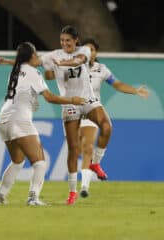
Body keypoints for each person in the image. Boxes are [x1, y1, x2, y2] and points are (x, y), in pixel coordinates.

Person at [0, 42, 85, 206]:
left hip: (4, 118)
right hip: (20, 119)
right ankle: (33, 198)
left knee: (18, 161)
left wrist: (32, 102)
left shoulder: (15, 71)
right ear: (32, 56)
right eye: (36, 55)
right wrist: (72, 100)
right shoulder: (33, 72)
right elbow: (49, 97)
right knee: (40, 162)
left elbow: (22, 93)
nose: (39, 58)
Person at [39, 25, 114, 205]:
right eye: (62, 41)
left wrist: (62, 63)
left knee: (107, 126)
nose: (65, 44)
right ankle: (72, 192)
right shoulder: (54, 55)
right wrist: (14, 63)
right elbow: (45, 71)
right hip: (70, 102)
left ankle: (95, 162)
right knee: (74, 149)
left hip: (87, 100)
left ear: (76, 40)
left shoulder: (85, 50)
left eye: (68, 40)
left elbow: (78, 61)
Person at [79, 38, 149, 197]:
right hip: (74, 110)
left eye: (93, 50)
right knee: (81, 149)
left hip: (92, 109)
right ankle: (81, 184)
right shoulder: (73, 67)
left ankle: (88, 179)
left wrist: (135, 91)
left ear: (96, 53)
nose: (90, 53)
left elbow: (117, 84)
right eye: (86, 49)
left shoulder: (101, 69)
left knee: (104, 131)